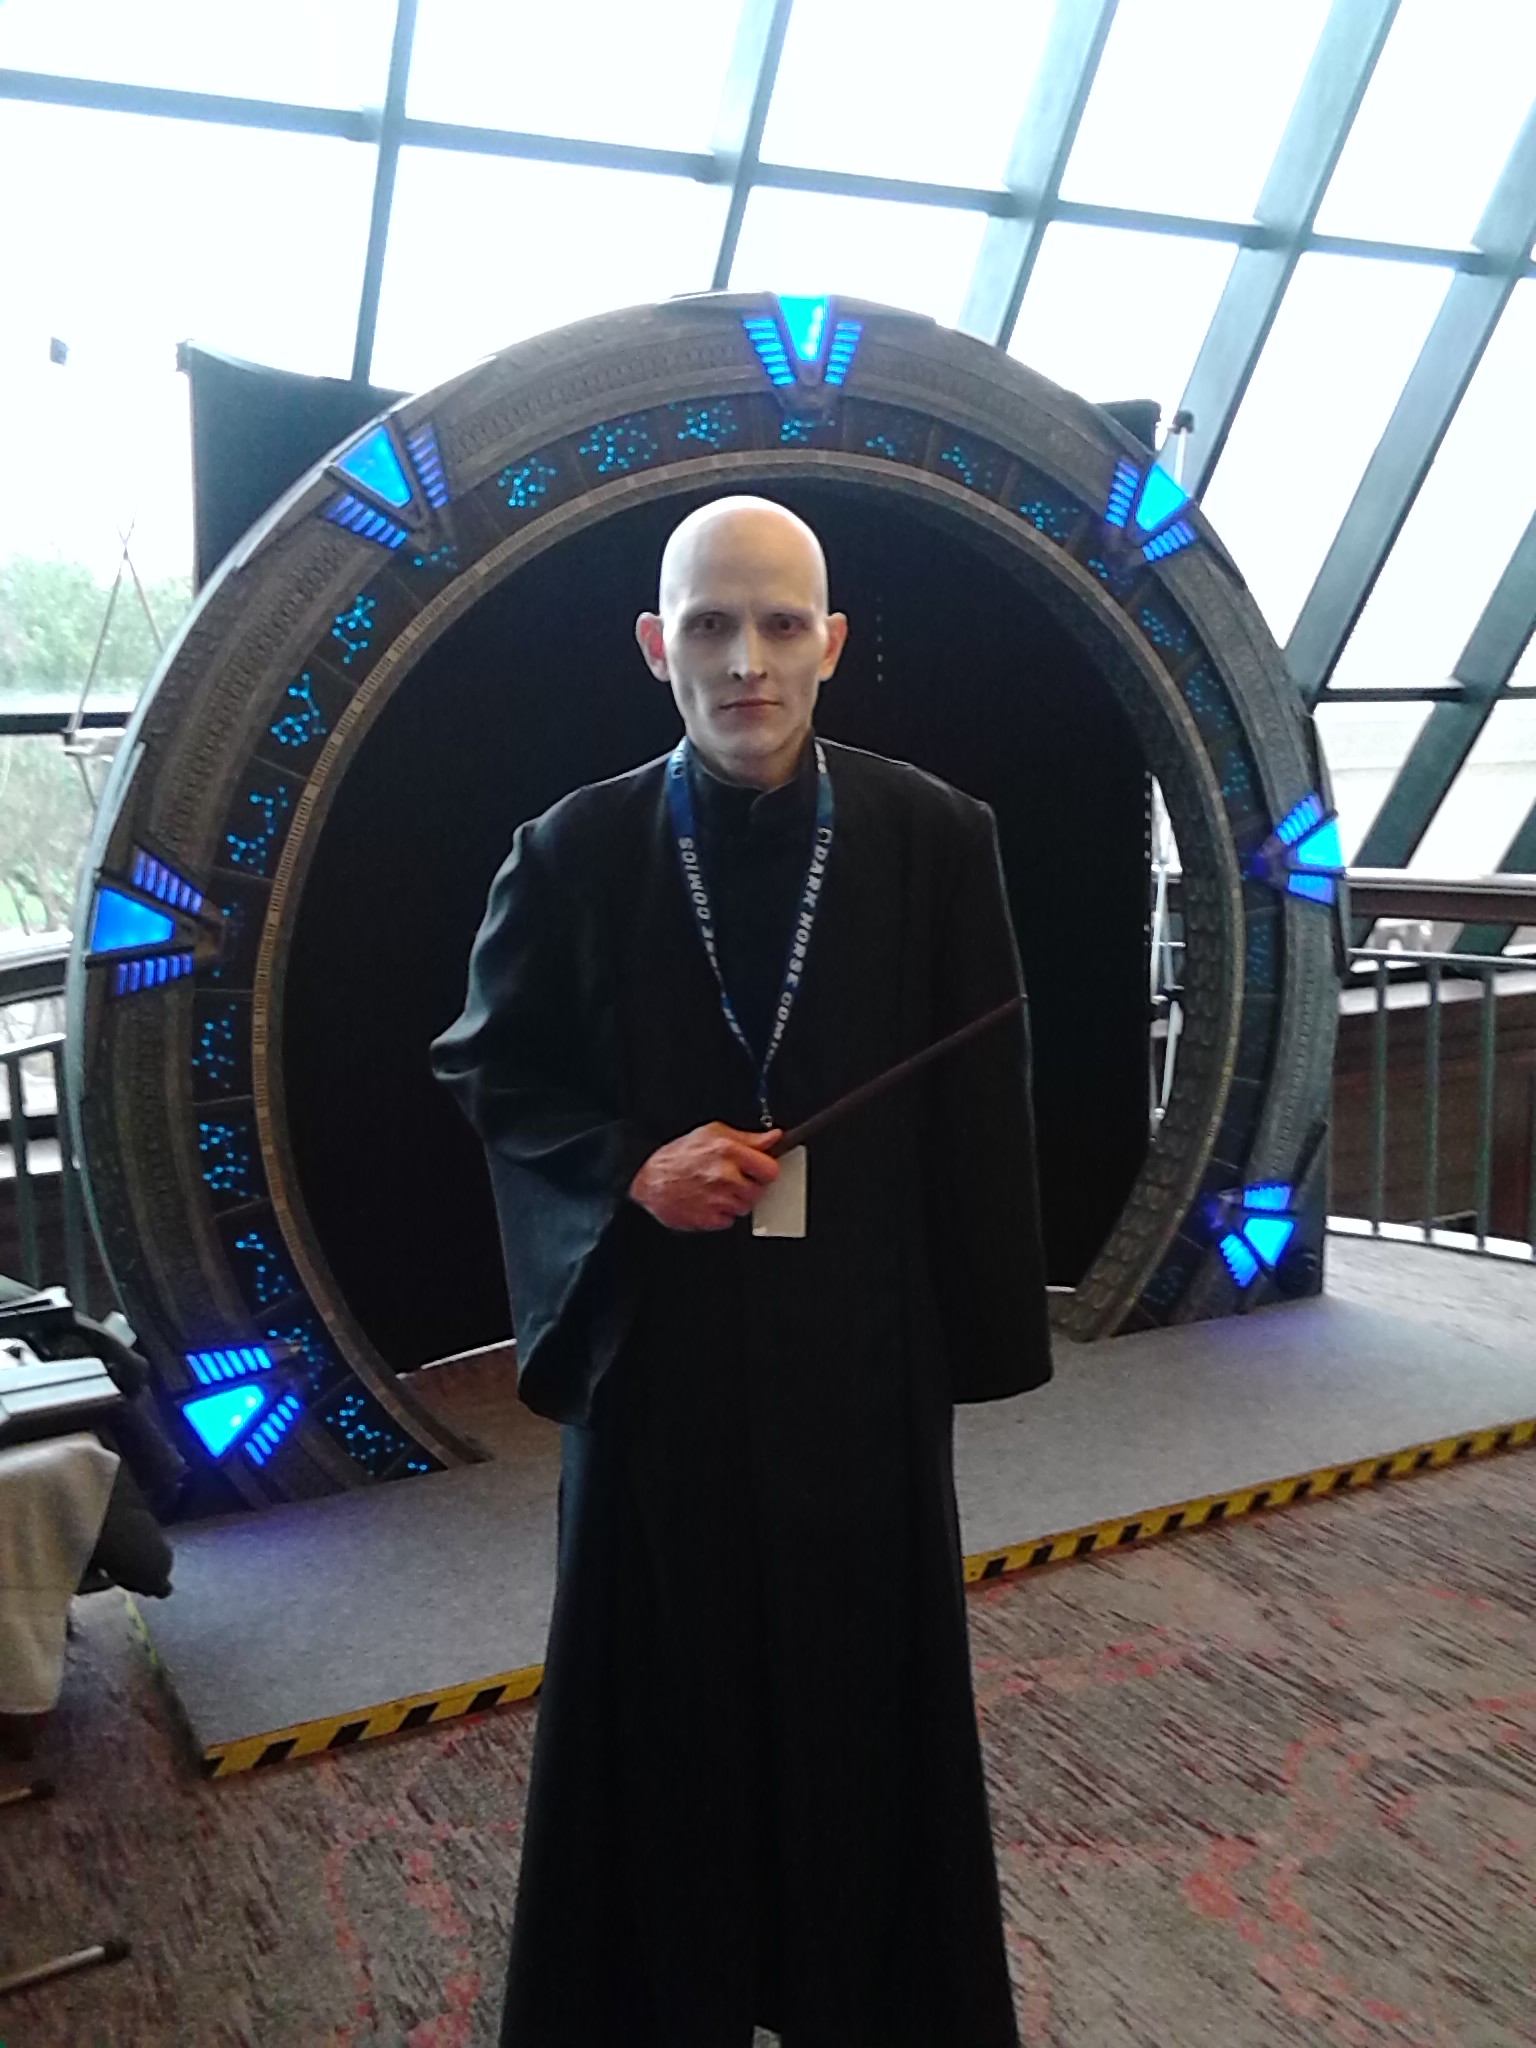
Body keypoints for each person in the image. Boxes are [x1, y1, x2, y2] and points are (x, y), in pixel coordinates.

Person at [431, 494, 1053, 2048]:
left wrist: (976, 1335)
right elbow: (492, 1070)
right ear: (657, 646)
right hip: (662, 1368)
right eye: (710, 626)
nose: (747, 663)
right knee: (666, 1709)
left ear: (832, 643)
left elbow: (984, 1104)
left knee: (863, 1708)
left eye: (780, 625)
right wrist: (632, 1168)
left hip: (862, 1360)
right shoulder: (571, 850)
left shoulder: (936, 837)